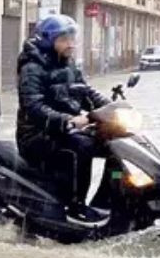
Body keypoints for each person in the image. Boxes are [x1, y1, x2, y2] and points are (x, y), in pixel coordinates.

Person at [15, 14, 111, 227]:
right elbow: (34, 107)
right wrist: (70, 120)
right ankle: (75, 208)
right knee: (82, 146)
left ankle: (109, 200)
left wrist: (111, 108)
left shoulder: (68, 65)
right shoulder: (32, 68)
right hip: (36, 135)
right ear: (49, 40)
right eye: (64, 39)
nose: (71, 44)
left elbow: (86, 92)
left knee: (111, 143)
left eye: (72, 38)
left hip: (64, 130)